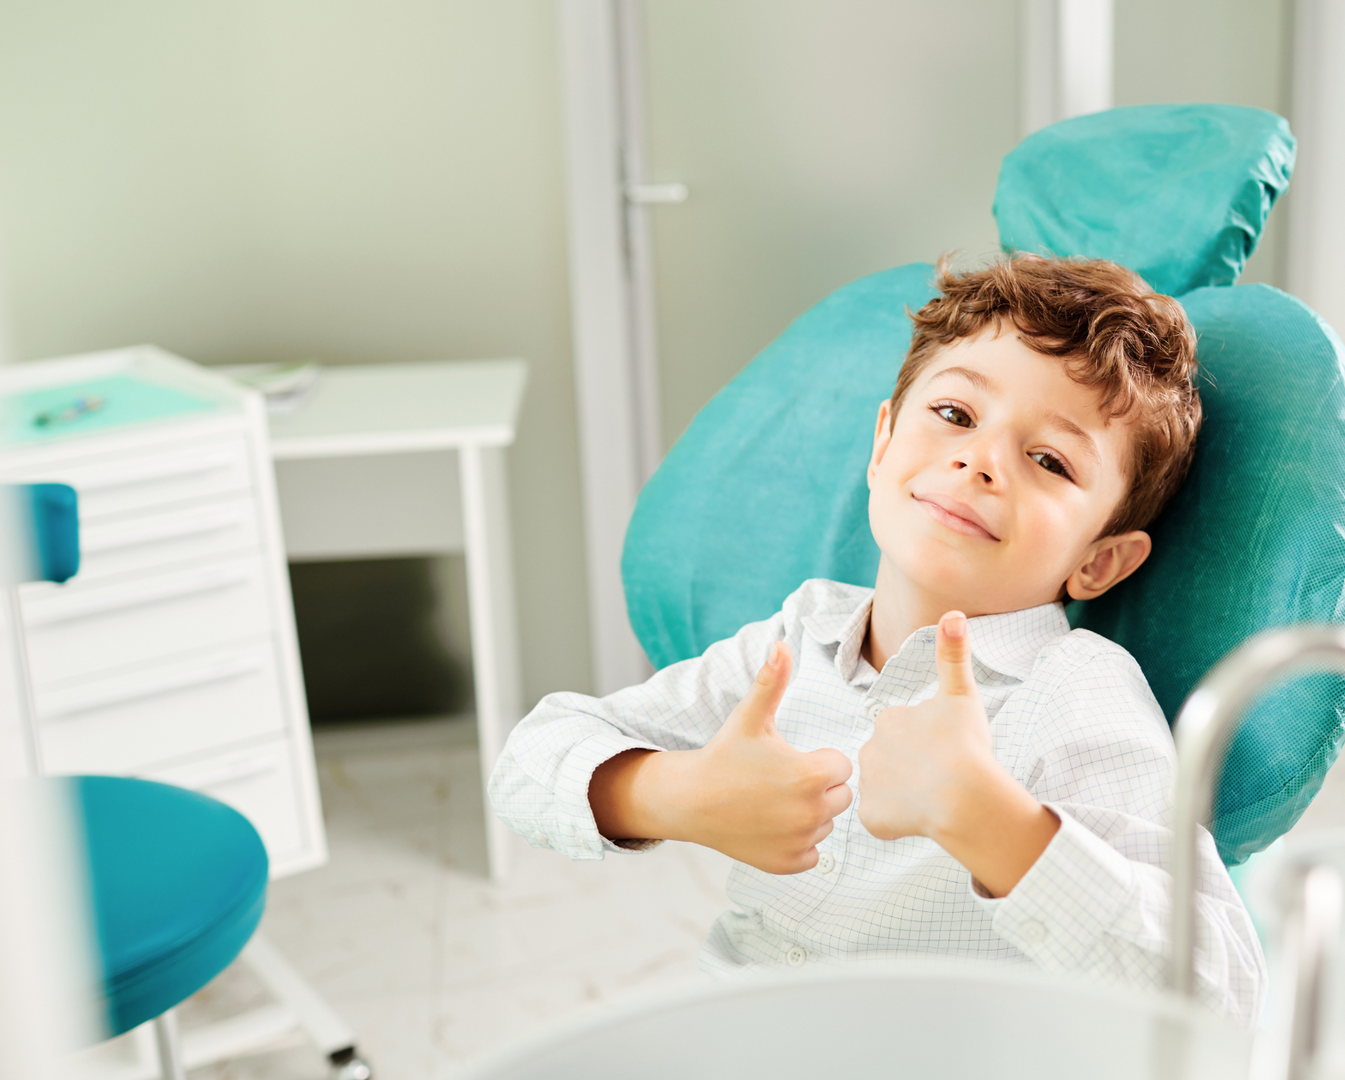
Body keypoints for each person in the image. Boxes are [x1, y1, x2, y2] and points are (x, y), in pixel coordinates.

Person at [489, 254, 1265, 1023]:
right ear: (882, 444)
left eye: (1050, 461)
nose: (981, 460)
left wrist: (992, 823)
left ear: (1099, 561)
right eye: (956, 415)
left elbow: (1221, 1002)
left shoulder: (1074, 691)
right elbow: (526, 763)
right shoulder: (796, 639)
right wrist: (675, 795)